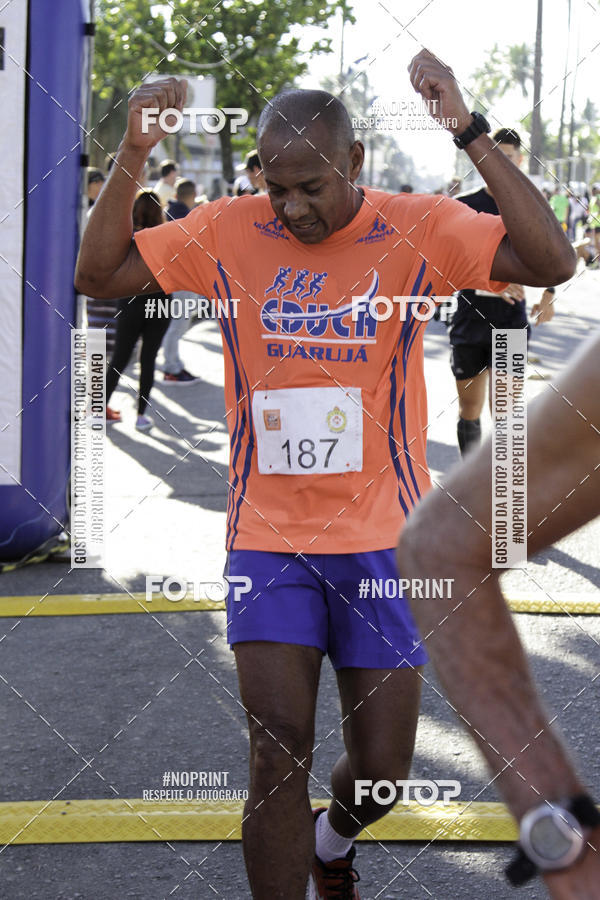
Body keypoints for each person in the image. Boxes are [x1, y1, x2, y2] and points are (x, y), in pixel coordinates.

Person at [75, 50, 575, 898]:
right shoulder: (231, 228)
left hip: (384, 545)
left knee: (380, 771)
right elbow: (98, 274)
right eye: (276, 185)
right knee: (276, 747)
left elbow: (552, 261)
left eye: (312, 186)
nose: (291, 206)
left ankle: (333, 839)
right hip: (267, 541)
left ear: (355, 164)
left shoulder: (418, 225)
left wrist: (468, 130)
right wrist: (131, 154)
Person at [397, 331, 600, 898]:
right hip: (483, 318)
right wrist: (561, 830)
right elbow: (442, 543)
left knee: (504, 400)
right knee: (483, 404)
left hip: (507, 317)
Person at [447, 128, 557, 457]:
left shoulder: (534, 205)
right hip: (469, 320)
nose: (500, 165)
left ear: (519, 160)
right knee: (470, 408)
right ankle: (468, 486)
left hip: (510, 323)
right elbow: (447, 265)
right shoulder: (463, 206)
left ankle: (501, 492)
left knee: (506, 413)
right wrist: (490, 280)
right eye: (493, 158)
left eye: (508, 159)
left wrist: (549, 294)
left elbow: (551, 253)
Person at [104, 190, 171, 428]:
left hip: (130, 302)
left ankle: (98, 408)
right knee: (148, 359)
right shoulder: (166, 236)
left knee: (120, 356)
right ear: (159, 210)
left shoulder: (126, 237)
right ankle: (141, 415)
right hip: (160, 303)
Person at [162, 178, 201, 383]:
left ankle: (172, 365)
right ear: (193, 195)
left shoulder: (173, 213)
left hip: (178, 277)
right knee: (177, 324)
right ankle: (171, 368)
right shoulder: (184, 216)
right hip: (181, 278)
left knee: (177, 323)